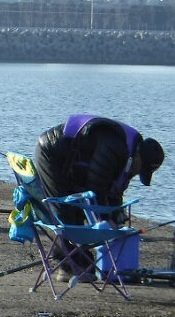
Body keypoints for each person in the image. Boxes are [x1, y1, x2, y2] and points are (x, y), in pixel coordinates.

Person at [33, 114, 164, 279]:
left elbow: (113, 191)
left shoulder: (127, 154)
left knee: (78, 211)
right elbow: (96, 185)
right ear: (139, 156)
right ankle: (68, 266)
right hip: (50, 154)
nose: (137, 173)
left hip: (71, 161)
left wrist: (116, 217)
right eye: (141, 169)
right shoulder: (115, 147)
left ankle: (79, 263)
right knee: (64, 210)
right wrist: (104, 220)